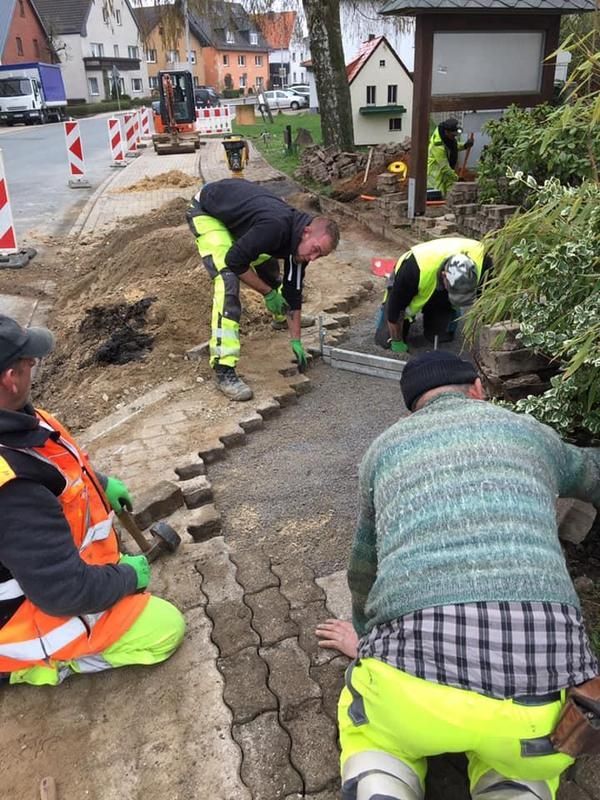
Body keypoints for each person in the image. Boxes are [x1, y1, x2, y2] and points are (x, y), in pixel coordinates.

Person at [317, 351, 600, 800]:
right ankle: (515, 786)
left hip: (408, 698)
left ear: (414, 408)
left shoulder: (384, 450)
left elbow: (363, 567)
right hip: (540, 714)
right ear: (478, 388)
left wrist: (365, 640)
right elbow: (593, 473)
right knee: (523, 766)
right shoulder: (530, 433)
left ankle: (383, 778)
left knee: (374, 737)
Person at [0, 315, 185, 687]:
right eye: (28, 361)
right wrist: (127, 576)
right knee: (166, 628)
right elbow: (64, 592)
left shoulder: (24, 421)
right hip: (19, 619)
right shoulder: (11, 489)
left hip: (40, 570)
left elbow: (54, 472)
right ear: (10, 377)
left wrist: (99, 484)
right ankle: (33, 667)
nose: (34, 366)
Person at [186, 178, 339, 401]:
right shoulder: (275, 226)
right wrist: (267, 293)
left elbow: (293, 291)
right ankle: (223, 368)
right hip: (208, 212)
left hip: (238, 217)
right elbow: (235, 261)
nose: (313, 258)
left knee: (266, 261)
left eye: (320, 255)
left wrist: (296, 339)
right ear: (306, 232)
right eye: (315, 250)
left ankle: (280, 317)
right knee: (227, 279)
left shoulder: (300, 245)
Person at [374, 236, 492, 353]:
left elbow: (491, 303)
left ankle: (442, 313)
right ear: (445, 276)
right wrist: (397, 342)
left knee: (441, 335)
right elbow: (395, 310)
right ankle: (401, 328)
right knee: (386, 341)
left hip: (439, 286)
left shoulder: (484, 266)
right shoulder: (412, 270)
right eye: (455, 292)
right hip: (413, 274)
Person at [428, 117, 474, 196]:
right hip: (436, 176)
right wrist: (457, 178)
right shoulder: (437, 145)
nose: (454, 137)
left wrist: (465, 145)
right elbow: (444, 167)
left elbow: (452, 147)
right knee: (439, 196)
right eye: (453, 135)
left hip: (447, 173)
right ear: (447, 132)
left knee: (450, 196)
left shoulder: (447, 138)